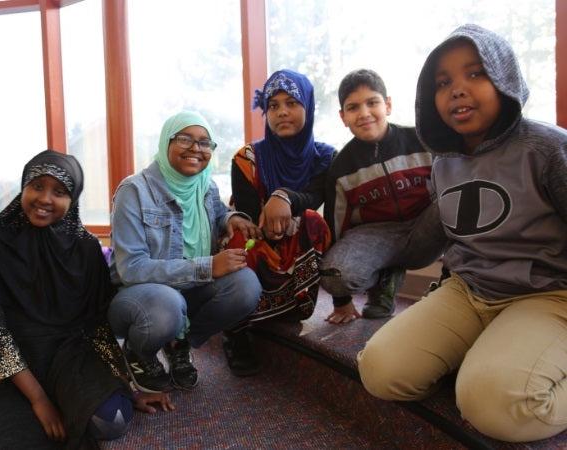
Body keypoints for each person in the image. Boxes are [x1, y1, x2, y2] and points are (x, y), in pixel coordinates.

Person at [358, 24, 567, 442]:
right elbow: (447, 239)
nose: (456, 89)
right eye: (443, 82)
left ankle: (507, 362)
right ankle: (495, 352)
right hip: (469, 292)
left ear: (505, 78)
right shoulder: (443, 162)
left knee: (496, 406)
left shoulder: (547, 148)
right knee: (380, 370)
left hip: (546, 293)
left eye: (475, 73)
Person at [0, 150, 173, 449]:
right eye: (37, 186)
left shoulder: (85, 248)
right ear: (23, 187)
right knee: (14, 441)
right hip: (15, 360)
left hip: (70, 354)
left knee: (111, 419)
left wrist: (128, 388)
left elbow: (97, 326)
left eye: (59, 191)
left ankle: (69, 399)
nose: (45, 199)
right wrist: (38, 400)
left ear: (73, 197)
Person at [108, 111, 262, 392]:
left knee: (246, 285)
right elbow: (131, 269)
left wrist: (231, 218)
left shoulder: (205, 186)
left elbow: (216, 215)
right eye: (185, 139)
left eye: (205, 143)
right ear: (166, 142)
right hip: (141, 296)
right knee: (167, 304)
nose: (196, 149)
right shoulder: (134, 191)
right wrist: (207, 267)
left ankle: (181, 345)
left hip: (187, 289)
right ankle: (139, 351)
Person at [226, 69, 335, 376]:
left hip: (294, 244)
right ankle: (236, 333)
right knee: (238, 235)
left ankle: (291, 305)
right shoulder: (247, 158)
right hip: (257, 245)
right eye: (273, 105)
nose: (282, 112)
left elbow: (313, 198)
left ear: (308, 107)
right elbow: (248, 216)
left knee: (314, 222)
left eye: (291, 102)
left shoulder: (324, 157)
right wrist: (264, 222)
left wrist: (283, 195)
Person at [320, 69, 443, 323]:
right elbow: (335, 228)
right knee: (334, 275)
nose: (364, 113)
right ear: (343, 117)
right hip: (376, 235)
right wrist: (341, 300)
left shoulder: (423, 141)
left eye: (372, 102)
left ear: (387, 105)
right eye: (353, 107)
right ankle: (385, 280)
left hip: (426, 229)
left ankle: (455, 283)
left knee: (455, 199)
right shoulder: (341, 168)